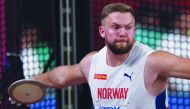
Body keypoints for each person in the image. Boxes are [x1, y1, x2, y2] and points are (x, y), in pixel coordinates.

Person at [11, 3, 190, 109]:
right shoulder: (93, 62)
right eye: (116, 27)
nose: (123, 33)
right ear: (102, 31)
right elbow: (61, 77)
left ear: (134, 30)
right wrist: (32, 82)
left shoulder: (152, 61)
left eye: (128, 28)